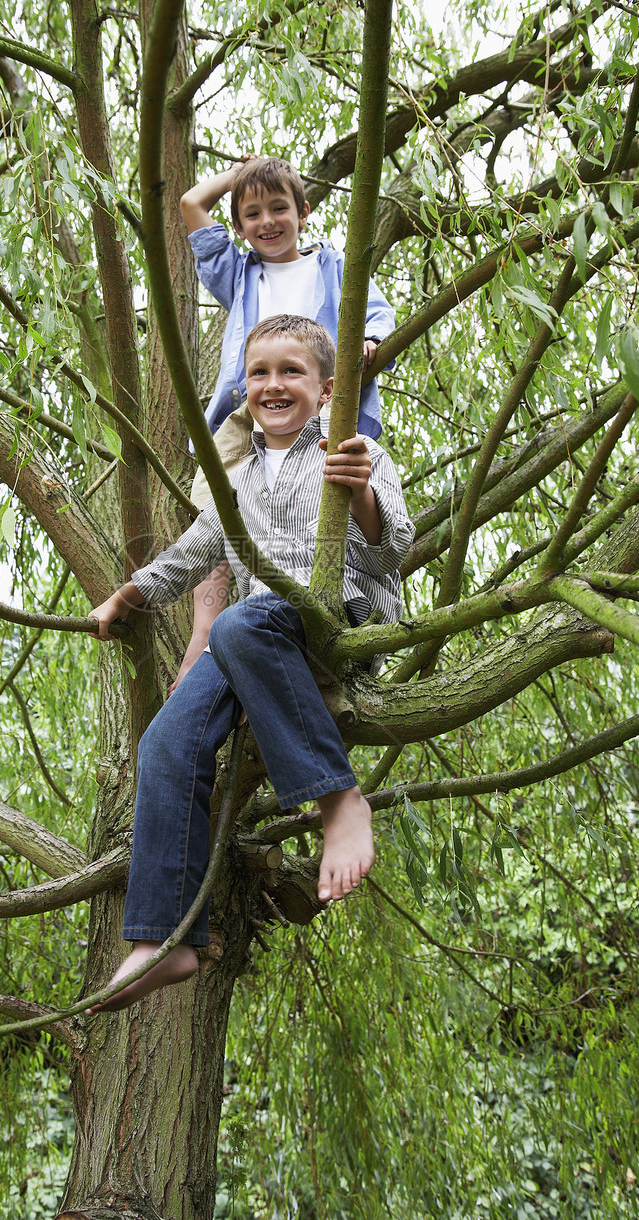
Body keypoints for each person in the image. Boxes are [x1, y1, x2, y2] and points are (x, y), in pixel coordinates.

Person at [87, 316, 414, 1012]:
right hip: (253, 636)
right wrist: (132, 590)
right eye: (259, 372)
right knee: (166, 740)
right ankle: (164, 935)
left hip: (331, 614)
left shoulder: (354, 448)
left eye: (291, 371)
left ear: (328, 389)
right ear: (243, 388)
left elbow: (395, 552)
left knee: (239, 622)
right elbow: (194, 552)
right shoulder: (231, 476)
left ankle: (338, 797)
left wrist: (358, 492)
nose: (273, 384)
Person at [173, 155, 395, 690]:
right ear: (240, 225)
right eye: (252, 214)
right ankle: (205, 640)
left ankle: (320, 616)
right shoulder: (238, 272)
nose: (267, 222)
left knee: (313, 509)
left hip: (319, 407)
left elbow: (379, 317)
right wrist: (245, 172)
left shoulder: (335, 267)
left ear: (304, 211)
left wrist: (370, 343)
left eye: (279, 208)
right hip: (243, 411)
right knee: (217, 519)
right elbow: (189, 205)